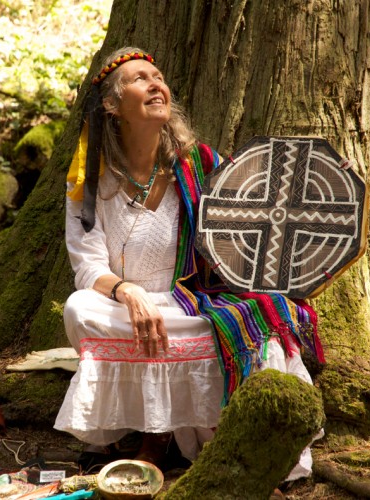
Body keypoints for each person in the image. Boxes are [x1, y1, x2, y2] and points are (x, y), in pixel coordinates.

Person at [54, 47, 324, 479]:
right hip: (125, 311)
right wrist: (128, 292)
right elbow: (87, 267)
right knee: (79, 308)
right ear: (112, 105)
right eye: (140, 79)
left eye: (158, 77)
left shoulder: (201, 166)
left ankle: (243, 453)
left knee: (259, 322)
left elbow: (251, 234)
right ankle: (152, 431)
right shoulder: (89, 181)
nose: (155, 85)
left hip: (190, 308)